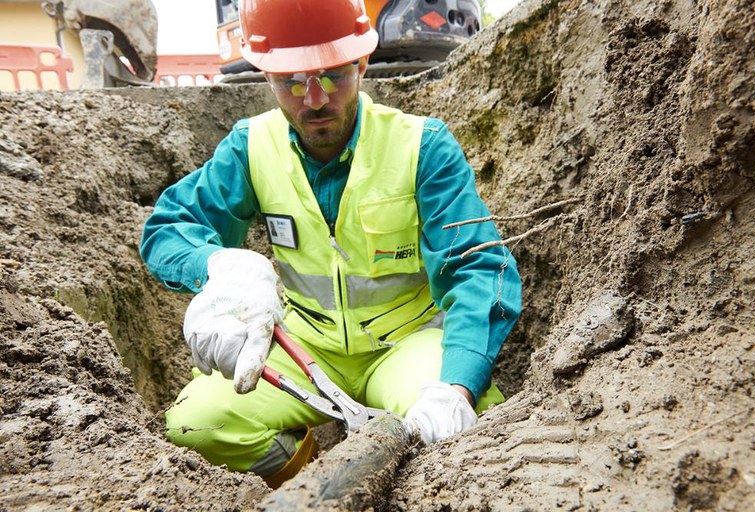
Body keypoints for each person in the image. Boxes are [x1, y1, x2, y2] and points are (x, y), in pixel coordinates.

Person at [140, 0, 522, 488]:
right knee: (201, 424)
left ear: (362, 63)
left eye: (333, 75)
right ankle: (307, 474)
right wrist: (218, 268)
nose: (314, 99)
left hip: (405, 343)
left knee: (464, 431)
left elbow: (478, 265)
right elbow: (169, 228)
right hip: (305, 346)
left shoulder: (421, 146)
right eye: (292, 81)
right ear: (266, 76)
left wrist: (457, 385)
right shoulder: (250, 147)